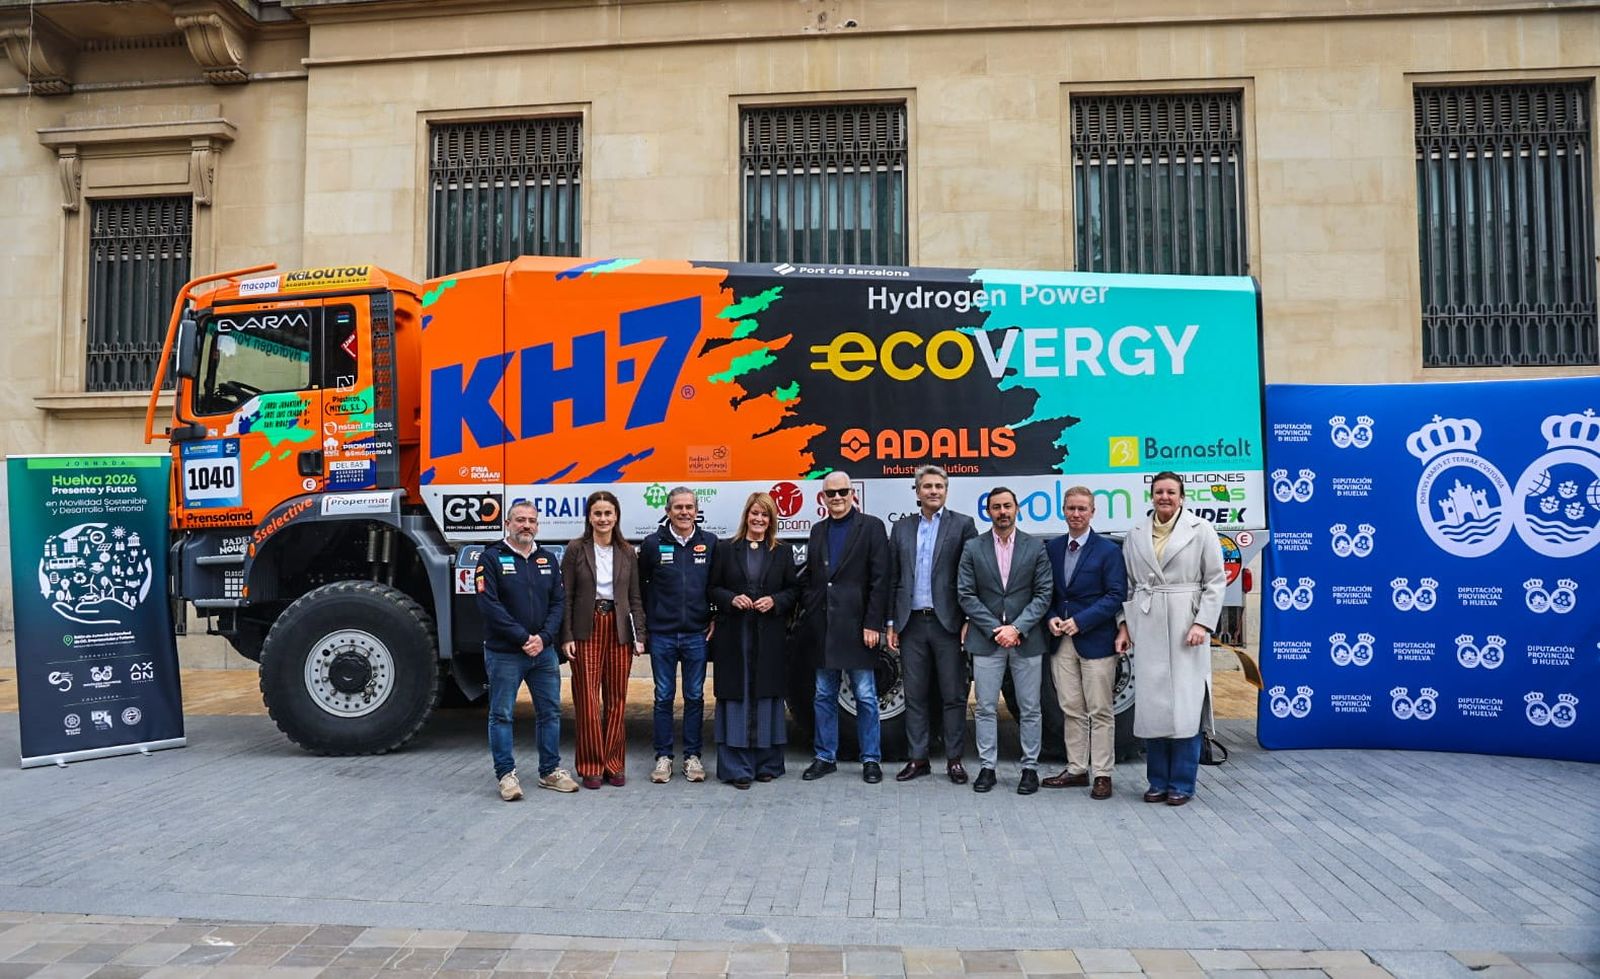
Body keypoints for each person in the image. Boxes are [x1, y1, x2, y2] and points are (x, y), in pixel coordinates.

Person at [1114, 471, 1226, 807]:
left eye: (1171, 492)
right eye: (1159, 492)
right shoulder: (1135, 534)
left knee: (1185, 708)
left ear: (1182, 496)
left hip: (1185, 624)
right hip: (1147, 622)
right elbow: (1129, 585)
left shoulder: (1201, 530)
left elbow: (1215, 581)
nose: (1164, 497)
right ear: (1151, 495)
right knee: (1154, 709)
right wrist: (1125, 625)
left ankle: (1182, 783)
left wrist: (1202, 624)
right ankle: (1157, 781)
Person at [474, 501, 579, 798]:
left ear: (537, 525)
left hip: (543, 653)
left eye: (532, 521)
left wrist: (543, 638)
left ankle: (549, 771)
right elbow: (489, 605)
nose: (526, 526)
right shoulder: (490, 558)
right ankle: (506, 776)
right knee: (501, 715)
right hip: (505, 653)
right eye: (520, 520)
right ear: (507, 524)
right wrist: (523, 638)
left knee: (550, 713)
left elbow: (559, 602)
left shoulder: (547, 559)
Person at [957, 487, 1053, 795]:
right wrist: (996, 629)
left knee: (1030, 708)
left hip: (1026, 640)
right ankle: (987, 768)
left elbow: (1043, 594)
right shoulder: (973, 547)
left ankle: (1029, 769)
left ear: (1017, 509)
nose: (1002, 512)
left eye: (1007, 506)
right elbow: (966, 594)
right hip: (987, 640)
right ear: (988, 511)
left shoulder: (1034, 547)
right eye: (996, 507)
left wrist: (1017, 628)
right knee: (985, 707)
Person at [886, 465, 978, 784]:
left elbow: (971, 575)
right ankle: (918, 759)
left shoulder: (963, 525)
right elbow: (894, 578)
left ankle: (954, 760)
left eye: (939, 486)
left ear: (946, 490)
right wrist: (891, 622)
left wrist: (969, 619)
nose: (934, 491)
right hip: (911, 623)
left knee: (953, 694)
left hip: (948, 624)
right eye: (927, 486)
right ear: (918, 491)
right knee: (915, 695)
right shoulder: (901, 528)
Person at [796, 470, 890, 784]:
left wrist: (873, 623)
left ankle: (871, 759)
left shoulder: (872, 527)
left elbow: (880, 580)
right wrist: (811, 605)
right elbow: (812, 576)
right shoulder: (817, 530)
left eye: (842, 492)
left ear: (853, 494)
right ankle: (825, 757)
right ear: (823, 498)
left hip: (858, 627)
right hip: (824, 627)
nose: (837, 498)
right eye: (831, 493)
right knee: (824, 695)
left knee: (865, 696)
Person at [707, 492, 800, 788]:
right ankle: (737, 768)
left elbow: (794, 590)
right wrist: (731, 599)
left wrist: (775, 601)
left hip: (769, 636)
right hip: (734, 636)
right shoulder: (725, 549)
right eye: (754, 513)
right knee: (738, 697)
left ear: (771, 520)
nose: (759, 519)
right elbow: (712, 587)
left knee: (767, 697)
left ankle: (767, 764)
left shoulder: (782, 552)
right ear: (746, 515)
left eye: (765, 515)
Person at [1042, 487, 1128, 799]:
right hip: (1061, 642)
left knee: (1100, 710)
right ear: (1063, 511)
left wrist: (1081, 621)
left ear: (1092, 512)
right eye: (1071, 508)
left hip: (1096, 640)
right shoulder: (1052, 548)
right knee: (1071, 708)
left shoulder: (1108, 550)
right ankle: (1077, 769)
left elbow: (1116, 594)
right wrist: (1051, 617)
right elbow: (1045, 591)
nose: (1076, 514)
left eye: (1082, 509)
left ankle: (1102, 773)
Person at [560, 490, 647, 790]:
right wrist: (567, 636)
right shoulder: (576, 549)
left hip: (619, 628)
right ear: (589, 517)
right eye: (597, 513)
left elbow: (635, 597)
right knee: (586, 698)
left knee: (616, 700)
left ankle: (614, 764)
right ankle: (591, 766)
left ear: (616, 516)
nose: (603, 519)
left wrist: (639, 636)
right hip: (587, 627)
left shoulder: (627, 551)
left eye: (608, 513)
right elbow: (566, 596)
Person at [637, 486, 717, 784]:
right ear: (668, 511)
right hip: (663, 635)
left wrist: (715, 617)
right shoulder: (652, 544)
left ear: (697, 511)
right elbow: (642, 587)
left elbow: (716, 585)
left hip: (697, 633)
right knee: (663, 696)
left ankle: (693, 756)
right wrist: (646, 626)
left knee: (695, 696)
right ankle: (663, 757)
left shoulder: (709, 543)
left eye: (689, 507)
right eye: (678, 507)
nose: (684, 512)